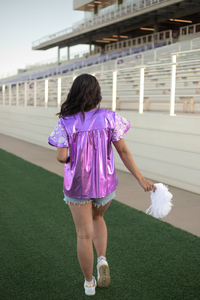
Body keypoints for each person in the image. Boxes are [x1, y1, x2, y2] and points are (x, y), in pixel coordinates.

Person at [48, 74, 156, 296]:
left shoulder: (66, 122)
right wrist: (141, 178)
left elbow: (60, 157)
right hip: (104, 184)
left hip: (78, 186)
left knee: (83, 235)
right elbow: (123, 151)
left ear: (74, 93)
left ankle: (89, 283)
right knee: (98, 218)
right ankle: (102, 259)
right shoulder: (109, 118)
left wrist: (73, 160)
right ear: (96, 93)